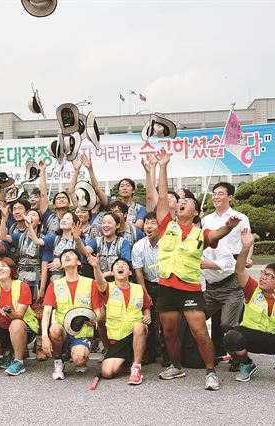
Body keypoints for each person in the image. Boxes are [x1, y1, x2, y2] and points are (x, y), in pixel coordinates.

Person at [154, 148, 239, 391]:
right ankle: (176, 366)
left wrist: (229, 228)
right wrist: (163, 166)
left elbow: (218, 233)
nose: (181, 203)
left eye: (187, 202)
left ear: (197, 212)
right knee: (169, 333)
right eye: (180, 202)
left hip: (190, 290)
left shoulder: (201, 234)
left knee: (200, 332)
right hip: (167, 287)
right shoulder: (166, 226)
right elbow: (162, 198)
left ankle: (211, 372)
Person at [223, 229, 275, 383]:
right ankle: (246, 364)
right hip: (251, 335)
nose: (262, 277)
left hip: (274, 339)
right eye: (263, 273)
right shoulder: (253, 288)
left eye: (269, 276)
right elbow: (239, 270)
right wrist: (246, 247)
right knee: (230, 337)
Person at [201, 182, 251, 369]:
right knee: (203, 318)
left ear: (230, 197)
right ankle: (213, 353)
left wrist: (247, 258)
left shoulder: (240, 217)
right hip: (211, 275)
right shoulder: (206, 219)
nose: (215, 197)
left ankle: (239, 358)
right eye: (214, 194)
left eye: (220, 194)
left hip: (232, 268)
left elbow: (247, 241)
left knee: (228, 324)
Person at [41, 249, 104, 380]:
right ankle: (58, 363)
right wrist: (44, 336)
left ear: (79, 262)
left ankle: (76, 355)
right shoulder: (55, 285)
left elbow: (99, 312)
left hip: (82, 333)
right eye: (64, 256)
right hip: (62, 332)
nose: (67, 256)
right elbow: (47, 312)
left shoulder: (90, 283)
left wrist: (95, 319)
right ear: (61, 264)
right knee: (54, 329)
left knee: (79, 361)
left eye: (71, 254)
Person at [96, 258, 152, 385]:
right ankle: (127, 365)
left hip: (136, 334)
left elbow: (146, 308)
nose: (120, 266)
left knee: (139, 326)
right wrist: (95, 267)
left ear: (130, 272)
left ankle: (136, 367)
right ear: (112, 272)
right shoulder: (108, 288)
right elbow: (99, 282)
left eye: (124, 265)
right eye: (117, 265)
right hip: (117, 339)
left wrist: (147, 316)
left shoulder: (139, 288)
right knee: (107, 372)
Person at [132, 212, 164, 364]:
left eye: (153, 223)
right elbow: (138, 272)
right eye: (146, 223)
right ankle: (151, 352)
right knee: (149, 320)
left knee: (166, 321)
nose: (149, 226)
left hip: (166, 285)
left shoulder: (167, 244)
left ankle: (167, 354)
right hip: (148, 284)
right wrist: (145, 293)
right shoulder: (138, 246)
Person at [83, 212, 131, 276]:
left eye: (109, 223)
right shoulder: (97, 240)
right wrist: (77, 239)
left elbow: (125, 264)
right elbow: (85, 252)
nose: (106, 225)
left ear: (117, 225)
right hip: (99, 280)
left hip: (117, 280)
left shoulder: (123, 243)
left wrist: (104, 275)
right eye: (103, 222)